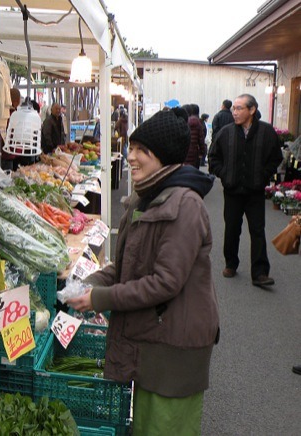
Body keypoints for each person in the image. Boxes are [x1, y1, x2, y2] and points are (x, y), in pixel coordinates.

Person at [67, 107, 219, 435]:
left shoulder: (185, 205)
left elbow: (165, 283)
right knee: (146, 425)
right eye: (131, 148)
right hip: (151, 339)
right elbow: (125, 269)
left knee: (165, 427)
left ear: (163, 158)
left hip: (174, 347)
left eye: (142, 151)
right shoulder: (144, 199)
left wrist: (101, 298)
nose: (131, 157)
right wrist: (85, 283)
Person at [208, 93, 283, 287]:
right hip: (232, 190)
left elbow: (276, 158)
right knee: (232, 228)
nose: (235, 112)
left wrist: (264, 175)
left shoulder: (267, 132)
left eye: (239, 108)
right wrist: (223, 173)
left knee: (257, 230)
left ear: (252, 110)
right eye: (233, 108)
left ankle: (260, 273)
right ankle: (231, 263)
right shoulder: (226, 132)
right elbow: (213, 157)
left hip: (255, 191)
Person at [183, 104, 206, 168]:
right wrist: (202, 152)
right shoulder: (198, 122)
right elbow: (201, 139)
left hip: (184, 152)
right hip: (194, 152)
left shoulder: (182, 122)